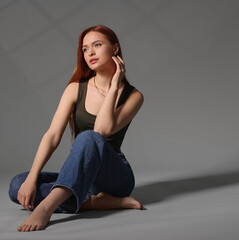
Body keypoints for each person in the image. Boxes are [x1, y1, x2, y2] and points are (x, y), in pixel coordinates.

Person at [8, 25, 144, 232]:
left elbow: (102, 130)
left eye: (97, 45)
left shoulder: (134, 96)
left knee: (89, 137)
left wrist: (115, 85)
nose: (90, 53)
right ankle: (92, 202)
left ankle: (47, 206)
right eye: (85, 49)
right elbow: (53, 135)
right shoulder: (75, 89)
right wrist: (32, 177)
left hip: (113, 177)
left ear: (115, 48)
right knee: (18, 185)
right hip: (81, 173)